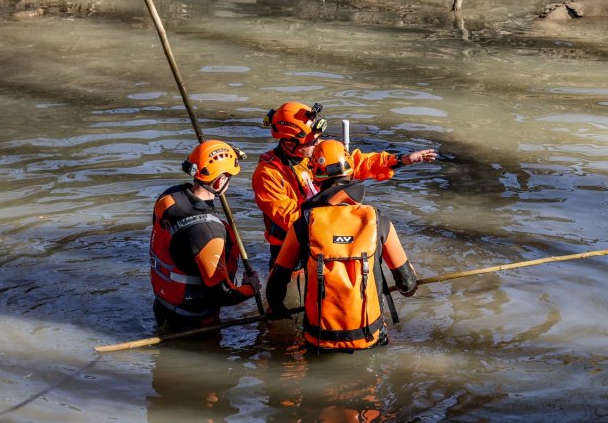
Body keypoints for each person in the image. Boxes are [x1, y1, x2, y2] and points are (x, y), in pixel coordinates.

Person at [265, 139, 418, 351]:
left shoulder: (303, 224)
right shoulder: (378, 221)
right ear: (350, 173)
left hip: (317, 340)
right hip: (371, 338)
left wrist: (279, 312)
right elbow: (408, 286)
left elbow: (274, 288)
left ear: (316, 179)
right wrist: (410, 274)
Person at [251, 101, 437, 268]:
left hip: (327, 235)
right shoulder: (268, 174)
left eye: (317, 139)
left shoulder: (317, 151)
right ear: (289, 143)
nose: (317, 145)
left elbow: (357, 163)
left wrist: (399, 160)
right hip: (292, 247)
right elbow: (290, 218)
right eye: (312, 141)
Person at [150, 139, 261, 333]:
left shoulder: (168, 197)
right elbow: (223, 294)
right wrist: (250, 288)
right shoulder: (208, 232)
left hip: (163, 305)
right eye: (229, 178)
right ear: (219, 181)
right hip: (194, 320)